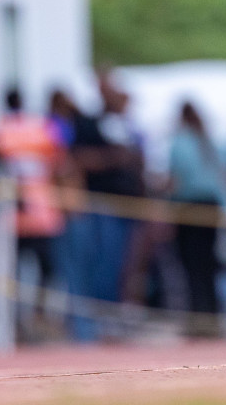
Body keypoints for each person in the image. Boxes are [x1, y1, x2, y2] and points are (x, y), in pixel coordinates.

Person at [66, 76, 145, 340]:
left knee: (121, 266)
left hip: (128, 204)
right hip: (101, 203)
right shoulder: (90, 124)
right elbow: (78, 158)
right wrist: (113, 158)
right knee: (101, 264)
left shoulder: (129, 126)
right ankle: (96, 321)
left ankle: (111, 317)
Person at [0, 87, 68, 333]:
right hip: (43, 212)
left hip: (12, 214)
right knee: (47, 270)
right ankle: (37, 315)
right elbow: (61, 164)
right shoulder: (43, 127)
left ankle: (16, 322)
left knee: (13, 271)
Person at [168, 101, 226, 336]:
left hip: (189, 207)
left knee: (192, 266)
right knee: (210, 265)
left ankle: (199, 320)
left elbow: (177, 179)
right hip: (212, 207)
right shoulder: (207, 140)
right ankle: (213, 317)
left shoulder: (180, 141)